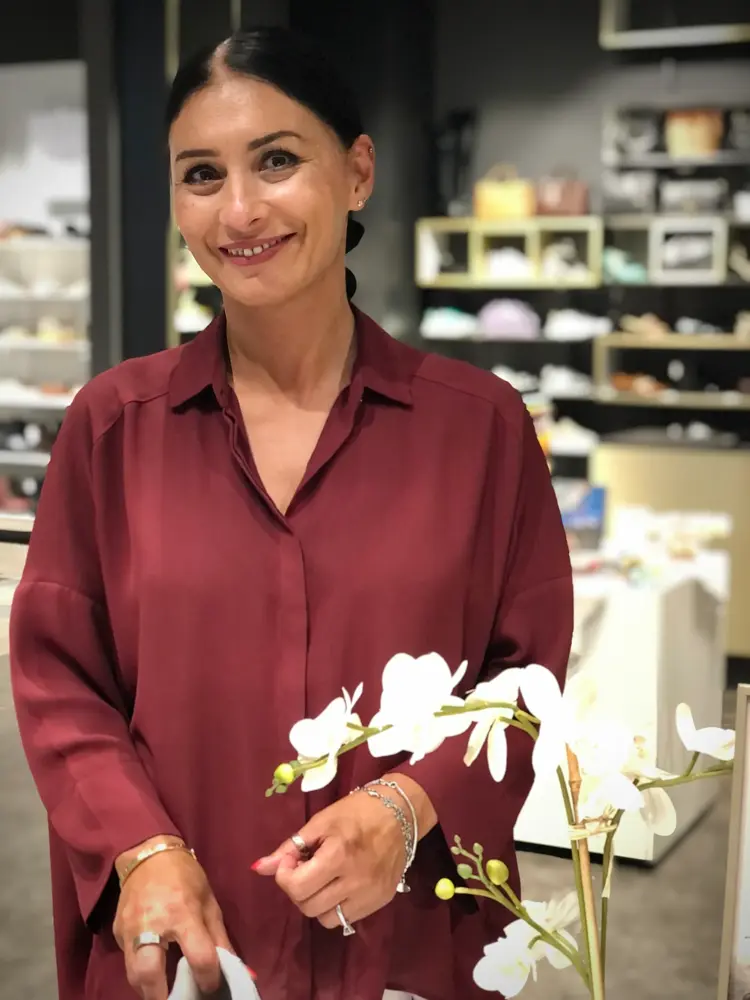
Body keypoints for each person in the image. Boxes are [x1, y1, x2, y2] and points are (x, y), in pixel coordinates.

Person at [10, 26, 573, 1000]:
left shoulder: (479, 427)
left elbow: (525, 678)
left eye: (276, 160)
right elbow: (60, 675)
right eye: (201, 173)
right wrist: (140, 848)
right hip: (185, 949)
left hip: (404, 939)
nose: (238, 210)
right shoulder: (113, 425)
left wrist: (409, 805)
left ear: (357, 173)